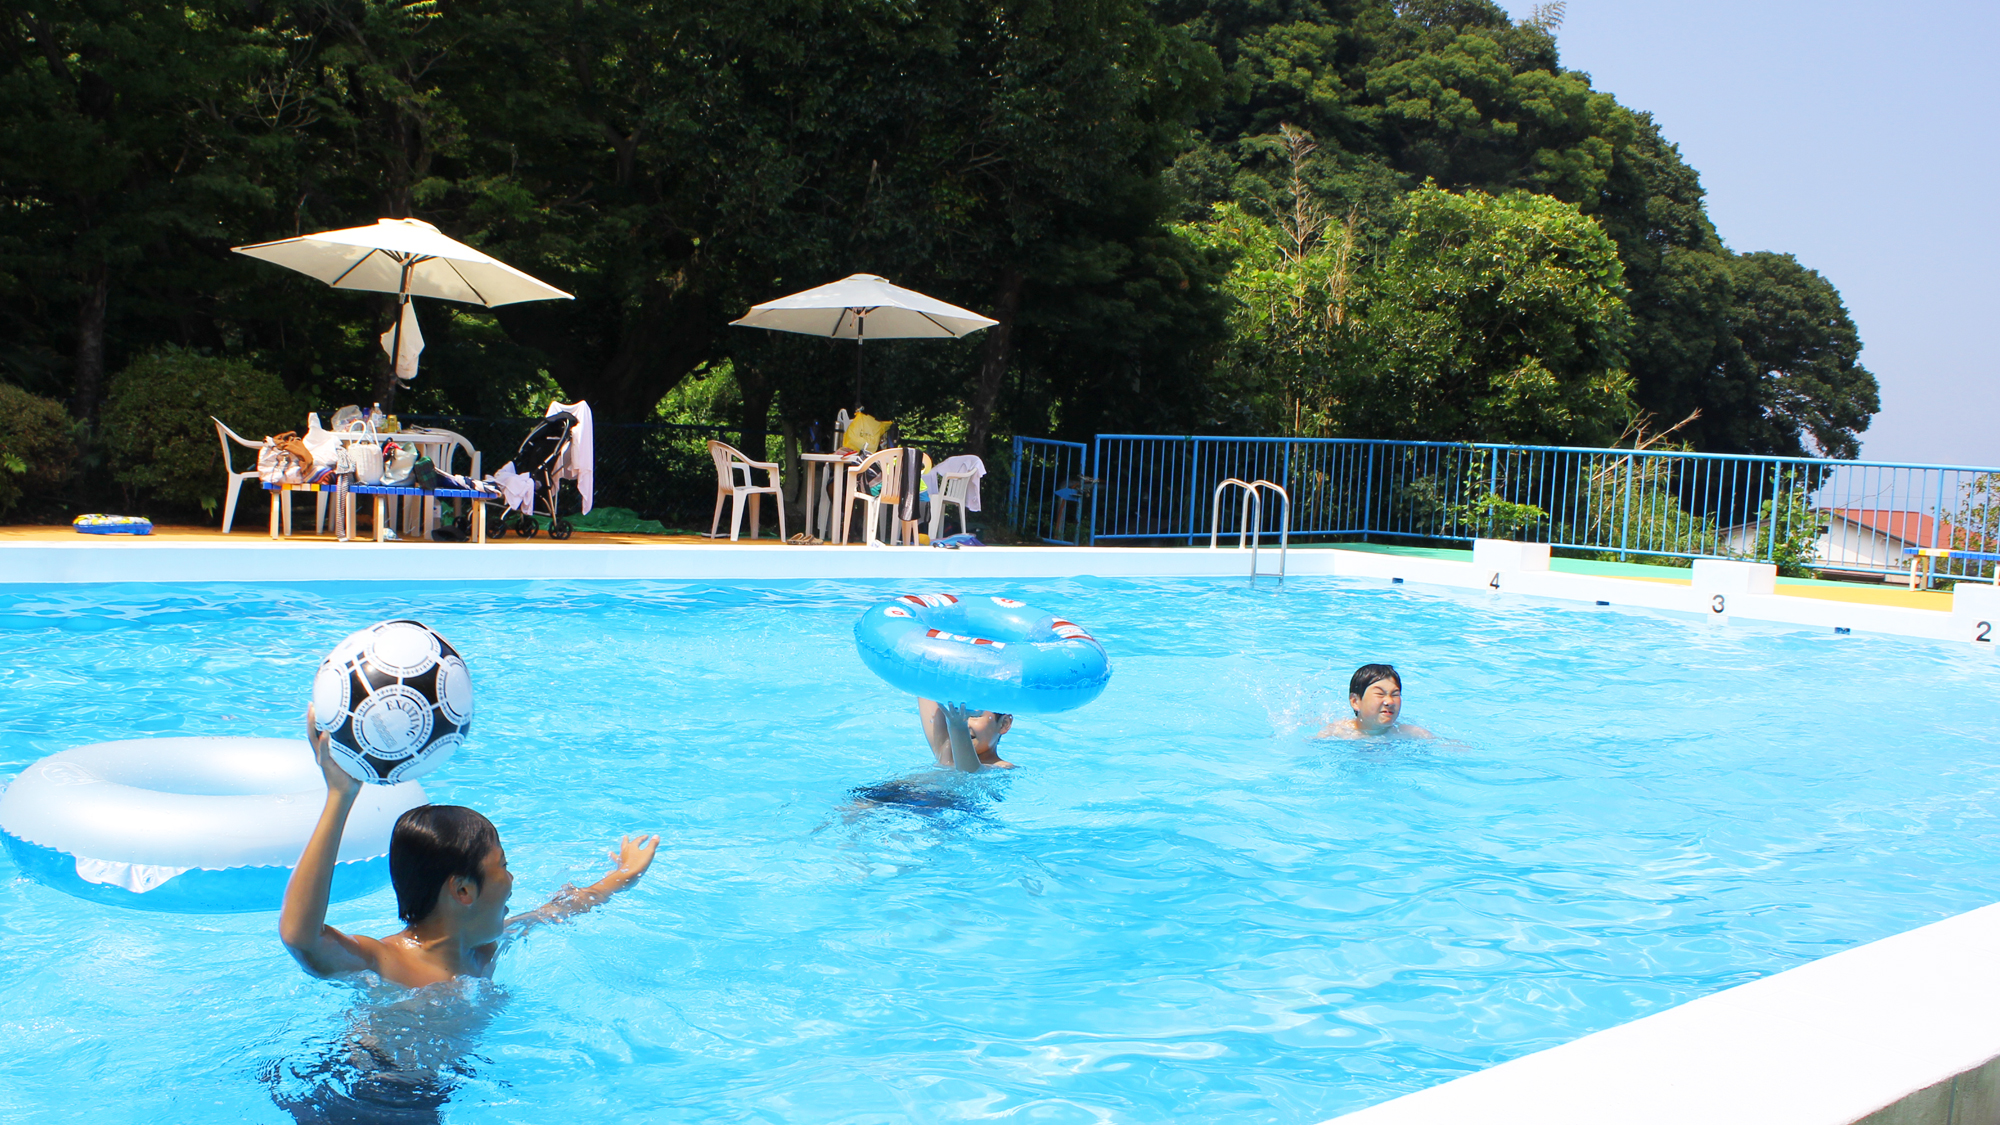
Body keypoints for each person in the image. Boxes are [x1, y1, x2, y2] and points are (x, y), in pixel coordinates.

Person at [280, 705, 659, 988]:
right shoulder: (383, 961)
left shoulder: (481, 952)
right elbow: (302, 939)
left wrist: (624, 875)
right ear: (463, 890)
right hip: (366, 1091)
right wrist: (340, 796)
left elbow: (559, 909)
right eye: (502, 865)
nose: (511, 879)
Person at [1317, 663, 1434, 740]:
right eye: (1380, 694)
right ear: (1355, 701)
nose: (1389, 701)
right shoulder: (1336, 733)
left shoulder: (1413, 734)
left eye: (1395, 694)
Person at [917, 698, 1015, 770]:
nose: (963, 721)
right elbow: (923, 689)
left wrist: (958, 728)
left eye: (974, 715)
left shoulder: (1004, 769)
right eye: (956, 713)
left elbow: (969, 774)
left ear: (1004, 724)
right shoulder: (946, 750)